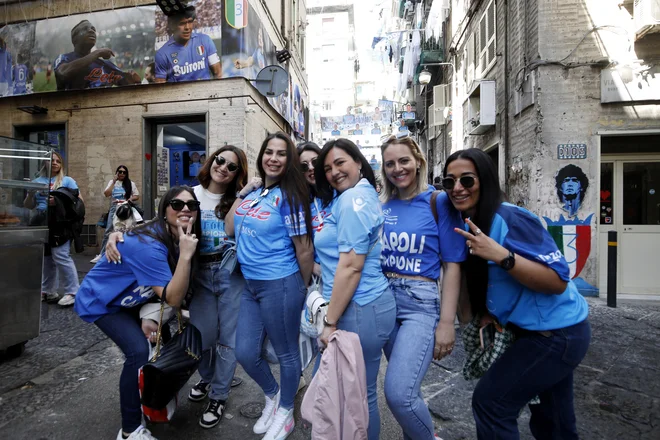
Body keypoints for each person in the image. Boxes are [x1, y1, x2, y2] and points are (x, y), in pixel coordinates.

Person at [443, 148, 591, 439]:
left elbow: (558, 280)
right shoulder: (469, 222)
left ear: (485, 181)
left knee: (491, 403)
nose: (457, 188)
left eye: (467, 180)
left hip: (556, 335)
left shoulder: (511, 218)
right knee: (553, 423)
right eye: (450, 182)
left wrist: (502, 255)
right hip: (537, 333)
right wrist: (486, 313)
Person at [75, 186, 200, 440]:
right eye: (177, 205)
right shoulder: (151, 245)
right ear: (164, 210)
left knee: (160, 348)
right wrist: (186, 256)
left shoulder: (179, 235)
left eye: (192, 206)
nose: (185, 209)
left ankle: (154, 402)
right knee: (137, 352)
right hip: (102, 302)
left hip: (131, 301)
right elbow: (173, 297)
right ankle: (130, 429)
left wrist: (150, 316)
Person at [225, 132, 314, 440]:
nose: (273, 158)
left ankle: (286, 411)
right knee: (245, 353)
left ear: (289, 161)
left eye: (281, 153)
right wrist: (244, 191)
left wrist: (299, 289)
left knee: (289, 355)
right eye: (269, 152)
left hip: (280, 283)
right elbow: (228, 227)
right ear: (261, 156)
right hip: (251, 285)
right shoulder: (255, 193)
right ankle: (274, 396)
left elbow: (304, 249)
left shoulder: (290, 196)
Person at [379, 137, 466, 439]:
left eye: (403, 160)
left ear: (418, 160)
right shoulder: (382, 203)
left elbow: (452, 264)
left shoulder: (438, 201)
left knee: (399, 394)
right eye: (390, 163)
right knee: (408, 391)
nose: (397, 168)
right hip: (384, 302)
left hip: (420, 302)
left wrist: (446, 323)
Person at [314, 138, 396, 440]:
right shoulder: (350, 196)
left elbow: (351, 266)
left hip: (361, 308)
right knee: (356, 393)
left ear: (359, 162)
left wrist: (330, 321)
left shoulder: (352, 201)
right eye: (328, 168)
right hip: (364, 305)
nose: (334, 172)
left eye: (340, 163)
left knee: (360, 396)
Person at [186, 147, 248, 429]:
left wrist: (246, 193)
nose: (223, 167)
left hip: (229, 272)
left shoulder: (238, 200)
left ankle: (219, 395)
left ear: (237, 173)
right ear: (211, 161)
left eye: (231, 166)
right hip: (198, 272)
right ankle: (209, 376)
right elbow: (164, 223)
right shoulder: (190, 195)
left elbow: (237, 231)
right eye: (219, 160)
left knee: (228, 338)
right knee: (202, 335)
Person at [24, 151, 82, 307]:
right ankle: (48, 290)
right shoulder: (37, 181)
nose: (55, 163)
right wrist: (30, 194)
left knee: (61, 255)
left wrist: (57, 202)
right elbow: (29, 205)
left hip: (61, 223)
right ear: (45, 163)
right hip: (42, 221)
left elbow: (79, 203)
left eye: (58, 161)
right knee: (47, 257)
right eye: (52, 160)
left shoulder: (67, 181)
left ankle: (73, 292)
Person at [54, 20, 140, 91]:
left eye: (93, 29)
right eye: (85, 29)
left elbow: (128, 83)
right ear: (74, 38)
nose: (91, 31)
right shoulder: (64, 58)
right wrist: (97, 53)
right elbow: (62, 73)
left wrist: (133, 79)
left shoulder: (105, 65)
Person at [154, 6, 221, 82]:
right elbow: (160, 87)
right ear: (172, 26)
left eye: (190, 22)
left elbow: (218, 73)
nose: (187, 27)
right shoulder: (162, 54)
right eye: (182, 23)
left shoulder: (205, 40)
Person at [91, 166, 140, 264]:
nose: (122, 174)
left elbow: (137, 196)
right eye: (120, 172)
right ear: (116, 172)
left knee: (127, 230)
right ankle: (102, 254)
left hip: (125, 208)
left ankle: (126, 253)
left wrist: (130, 199)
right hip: (114, 207)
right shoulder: (112, 182)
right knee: (109, 230)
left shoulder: (130, 183)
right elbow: (106, 194)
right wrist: (113, 181)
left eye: (124, 172)